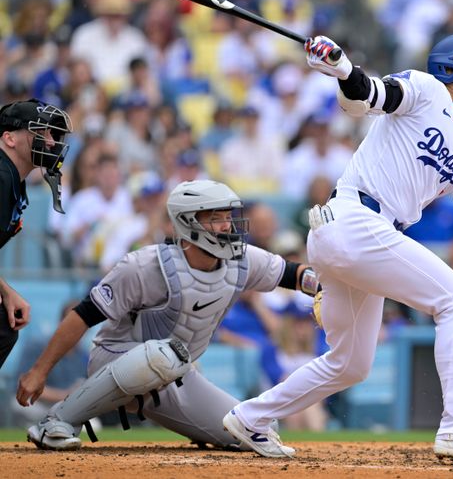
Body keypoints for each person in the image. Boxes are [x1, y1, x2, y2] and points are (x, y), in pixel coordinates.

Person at [224, 32, 453, 463]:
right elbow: (367, 97)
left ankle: (250, 418)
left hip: (353, 236)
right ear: (448, 66)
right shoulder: (427, 89)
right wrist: (342, 68)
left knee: (350, 364)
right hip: (358, 220)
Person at [16, 180, 320, 456]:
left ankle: (199, 428)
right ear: (188, 222)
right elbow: (82, 315)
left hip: (175, 373)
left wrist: (324, 287)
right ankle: (57, 421)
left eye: (228, 216)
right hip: (114, 361)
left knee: (256, 429)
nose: (227, 225)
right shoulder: (145, 265)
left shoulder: (242, 261)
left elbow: (293, 274)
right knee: (164, 354)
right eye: (215, 217)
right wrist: (39, 371)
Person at [0, 98, 72, 369]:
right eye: (40, 133)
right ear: (9, 138)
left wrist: (5, 292)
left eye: (53, 134)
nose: (51, 142)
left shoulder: (10, 179)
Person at [8, 301, 90, 427]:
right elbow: (22, 383)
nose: (78, 328)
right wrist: (63, 396)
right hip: (37, 405)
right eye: (73, 322)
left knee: (92, 424)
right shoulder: (37, 345)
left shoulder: (83, 354)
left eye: (83, 324)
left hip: (66, 408)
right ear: (62, 322)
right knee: (22, 408)